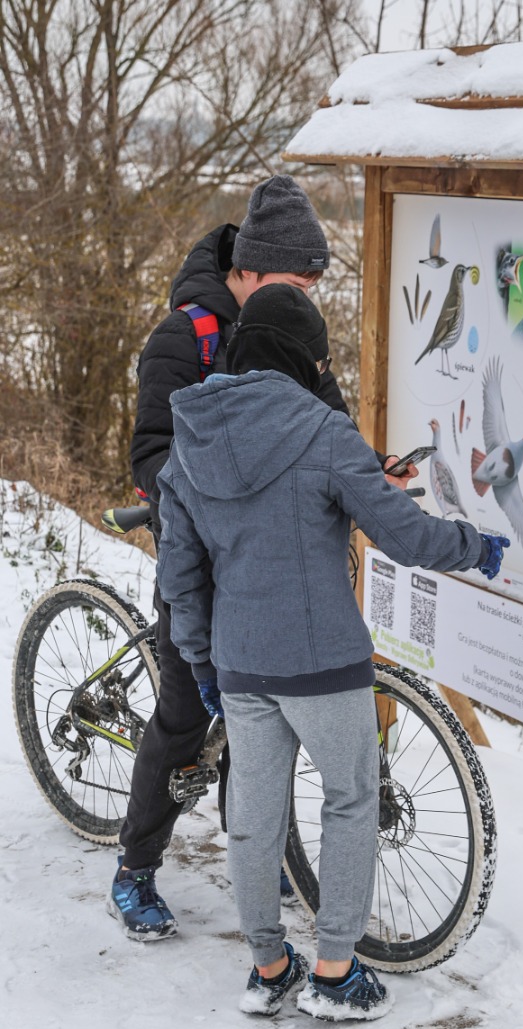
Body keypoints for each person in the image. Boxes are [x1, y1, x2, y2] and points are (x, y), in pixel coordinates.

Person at [155, 283, 508, 1018]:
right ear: (299, 358)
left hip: (240, 662)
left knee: (254, 814)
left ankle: (269, 966)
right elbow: (407, 537)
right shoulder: (321, 432)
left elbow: (180, 578)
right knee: (351, 801)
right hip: (322, 663)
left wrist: (201, 664)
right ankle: (337, 972)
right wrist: (477, 545)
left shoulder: (189, 443)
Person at [110, 175, 418, 941]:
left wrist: (368, 469)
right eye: (296, 280)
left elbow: (325, 423)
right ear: (249, 269)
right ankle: (135, 867)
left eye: (314, 282)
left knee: (261, 727)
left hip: (285, 565)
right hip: (205, 559)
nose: (307, 294)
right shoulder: (187, 338)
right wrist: (205, 499)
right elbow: (150, 450)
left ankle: (261, 857)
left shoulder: (285, 332)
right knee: (186, 714)